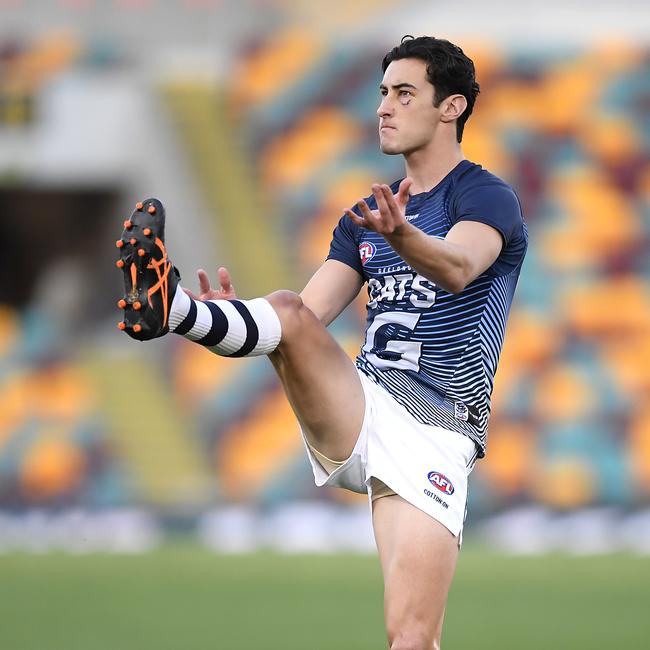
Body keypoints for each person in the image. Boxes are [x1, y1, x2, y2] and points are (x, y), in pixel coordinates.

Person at [115, 35, 527, 650]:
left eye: (405, 93)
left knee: (413, 638)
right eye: (383, 92)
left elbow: (460, 267)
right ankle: (173, 309)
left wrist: (403, 236)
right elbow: (303, 319)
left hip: (437, 431)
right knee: (285, 312)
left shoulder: (484, 195)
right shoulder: (364, 215)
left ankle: (174, 309)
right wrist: (227, 321)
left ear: (453, 108)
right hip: (362, 405)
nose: (384, 107)